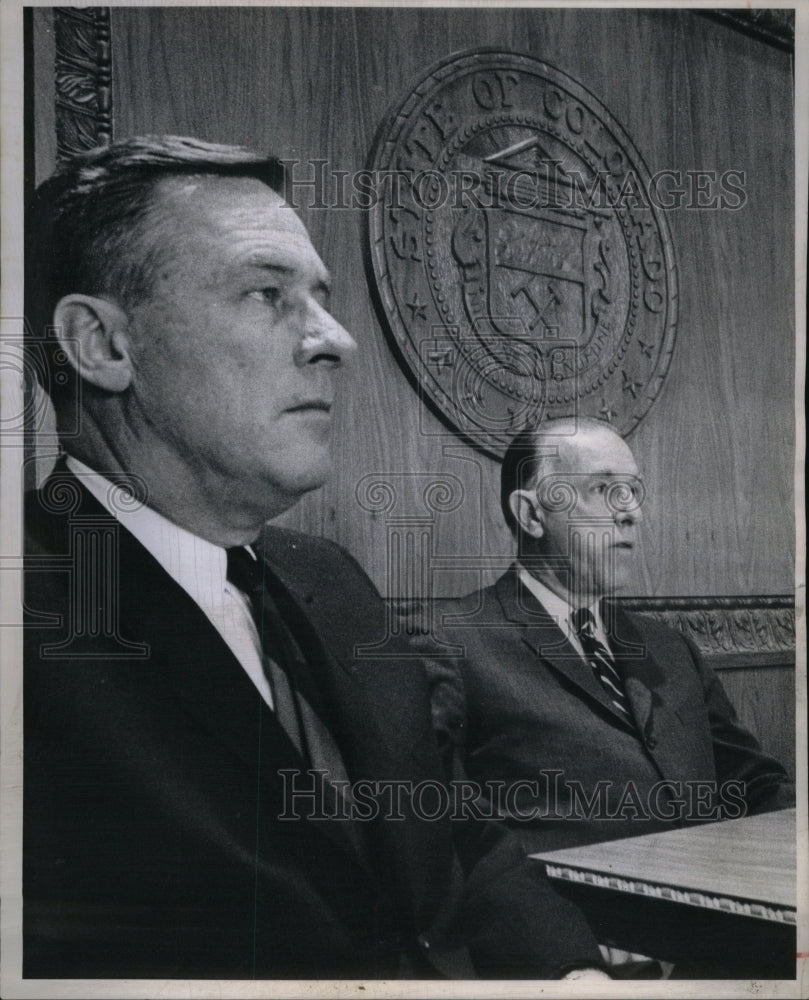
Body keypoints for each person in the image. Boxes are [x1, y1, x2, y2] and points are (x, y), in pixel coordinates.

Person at [22, 136, 610, 981]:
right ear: (103, 345)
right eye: (267, 294)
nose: (336, 340)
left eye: (322, 300)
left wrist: (572, 974)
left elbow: (451, 831)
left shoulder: (329, 581)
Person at [422, 419, 794, 975]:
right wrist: (570, 962)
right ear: (531, 514)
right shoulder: (449, 641)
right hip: (579, 960)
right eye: (603, 490)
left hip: (731, 947)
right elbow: (447, 833)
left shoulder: (670, 648)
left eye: (634, 491)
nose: (631, 513)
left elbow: (756, 785)